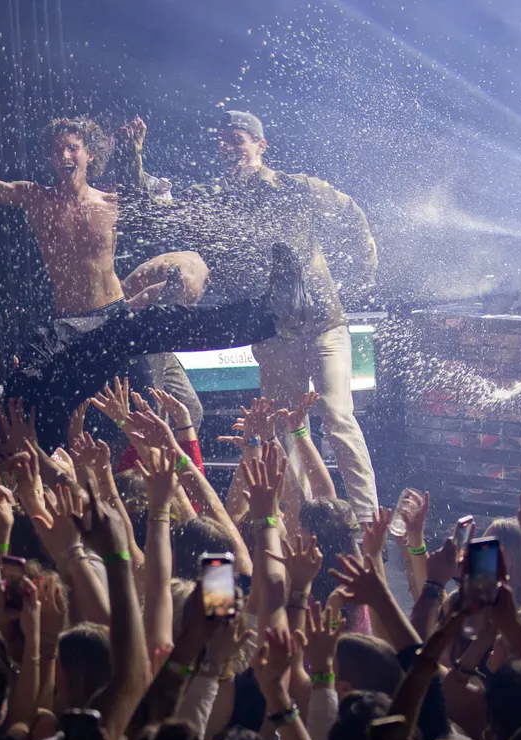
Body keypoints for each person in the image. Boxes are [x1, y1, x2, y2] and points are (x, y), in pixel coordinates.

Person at [0, 173, 306, 449]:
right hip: (26, 417)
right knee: (131, 330)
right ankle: (272, 316)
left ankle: (261, 314)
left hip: (17, 405)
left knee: (76, 332)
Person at [120, 110, 380, 522]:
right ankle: (303, 519)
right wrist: (133, 157)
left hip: (324, 325)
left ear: (261, 145)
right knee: (285, 427)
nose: (228, 147)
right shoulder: (210, 198)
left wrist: (364, 270)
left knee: (336, 415)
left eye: (237, 139)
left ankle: (365, 521)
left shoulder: (294, 187)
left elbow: (349, 211)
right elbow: (155, 212)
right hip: (272, 333)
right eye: (222, 140)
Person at [0, 102, 204, 431]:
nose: (64, 154)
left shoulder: (111, 202)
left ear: (89, 155)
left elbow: (148, 208)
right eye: (57, 149)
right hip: (70, 325)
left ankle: (174, 457)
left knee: (182, 407)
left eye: (72, 148)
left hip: (116, 315)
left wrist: (134, 150)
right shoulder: (36, 197)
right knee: (65, 413)